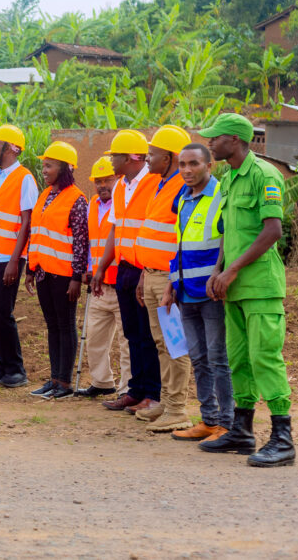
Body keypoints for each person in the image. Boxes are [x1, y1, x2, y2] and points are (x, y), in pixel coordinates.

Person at [199, 113, 295, 467]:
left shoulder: (263, 175)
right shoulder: (229, 179)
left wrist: (234, 270)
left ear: (235, 141)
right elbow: (230, 231)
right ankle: (242, 430)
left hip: (260, 286)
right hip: (233, 287)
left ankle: (283, 437)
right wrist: (218, 270)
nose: (210, 142)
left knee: (264, 357)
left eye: (215, 138)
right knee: (238, 359)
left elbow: (272, 231)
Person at [161, 143, 233, 443]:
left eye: (194, 164)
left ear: (209, 165)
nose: (187, 170)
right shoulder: (183, 198)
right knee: (199, 359)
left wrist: (220, 275)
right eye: (182, 165)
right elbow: (179, 246)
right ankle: (208, 420)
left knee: (218, 358)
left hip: (211, 293)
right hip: (185, 292)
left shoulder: (220, 197)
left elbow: (228, 241)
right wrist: (170, 286)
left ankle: (227, 424)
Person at [92, 130, 161, 414]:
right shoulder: (121, 186)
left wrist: (146, 270)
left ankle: (152, 394)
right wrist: (101, 267)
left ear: (132, 157)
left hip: (145, 269)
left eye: (115, 156)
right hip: (124, 269)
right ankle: (136, 391)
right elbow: (115, 229)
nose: (111, 161)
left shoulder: (155, 183)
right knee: (132, 333)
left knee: (147, 333)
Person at [133, 125, 192, 432]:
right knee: (161, 343)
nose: (147, 158)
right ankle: (167, 404)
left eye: (152, 154)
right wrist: (145, 274)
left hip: (169, 279)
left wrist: (172, 279)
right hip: (154, 275)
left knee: (175, 345)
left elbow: (183, 237)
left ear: (168, 157)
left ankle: (178, 408)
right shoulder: (161, 184)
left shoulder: (182, 187)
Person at [24, 142, 88, 399]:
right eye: (43, 166)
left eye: (49, 166)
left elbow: (82, 242)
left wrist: (76, 277)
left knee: (65, 325)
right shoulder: (45, 195)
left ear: (64, 168)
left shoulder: (78, 199)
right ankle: (54, 379)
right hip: (43, 272)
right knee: (52, 326)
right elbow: (35, 233)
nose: (44, 171)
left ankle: (65, 382)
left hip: (64, 276)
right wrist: (30, 268)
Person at [0, 124, 38, 389]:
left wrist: (16, 260)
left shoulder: (24, 178)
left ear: (10, 148)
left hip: (8, 259)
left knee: (3, 314)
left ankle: (16, 369)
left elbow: (26, 222)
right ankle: (1, 366)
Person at [75, 156, 131, 399]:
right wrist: (89, 268)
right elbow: (90, 243)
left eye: (107, 179)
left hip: (121, 281)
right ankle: (102, 382)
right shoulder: (93, 204)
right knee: (94, 337)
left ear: (117, 178)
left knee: (126, 342)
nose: (102, 185)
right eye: (98, 181)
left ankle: (128, 388)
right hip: (98, 283)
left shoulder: (124, 202)